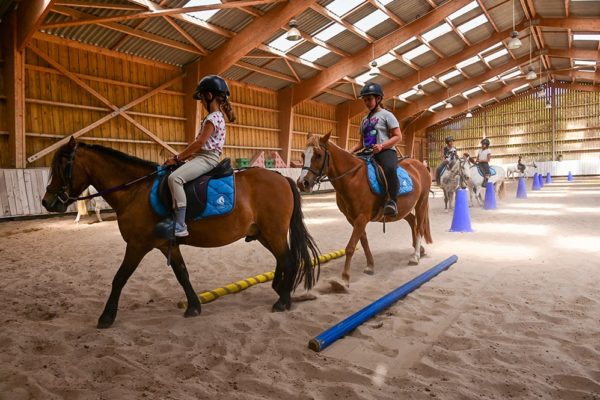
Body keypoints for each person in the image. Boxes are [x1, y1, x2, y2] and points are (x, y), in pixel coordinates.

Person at [164, 75, 236, 237]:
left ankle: (181, 224)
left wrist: (177, 158)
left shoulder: (212, 118)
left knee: (174, 179)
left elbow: (199, 143)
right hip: (203, 157)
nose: (202, 102)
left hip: (206, 159)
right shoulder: (218, 117)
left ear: (209, 96)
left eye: (202, 98)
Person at [349, 82, 401, 217]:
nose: (367, 102)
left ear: (378, 99)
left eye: (369, 99)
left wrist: (382, 146)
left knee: (389, 169)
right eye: (365, 100)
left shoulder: (387, 115)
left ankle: (393, 201)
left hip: (386, 151)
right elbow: (361, 143)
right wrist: (348, 152)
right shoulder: (364, 120)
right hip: (367, 153)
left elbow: (398, 136)